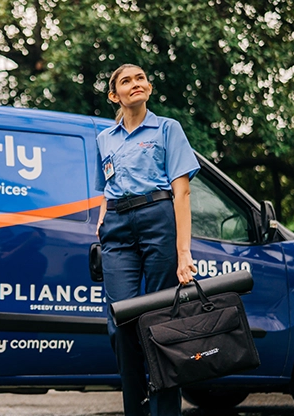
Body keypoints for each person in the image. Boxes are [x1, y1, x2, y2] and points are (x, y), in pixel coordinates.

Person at [95, 64, 200, 416]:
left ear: (149, 89)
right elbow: (105, 189)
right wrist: (102, 220)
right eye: (126, 81)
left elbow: (182, 193)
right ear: (115, 95)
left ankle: (164, 411)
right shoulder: (104, 139)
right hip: (117, 228)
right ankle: (136, 407)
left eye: (140, 78)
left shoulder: (168, 128)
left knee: (160, 321)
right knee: (120, 321)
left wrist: (183, 252)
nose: (135, 84)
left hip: (158, 219)